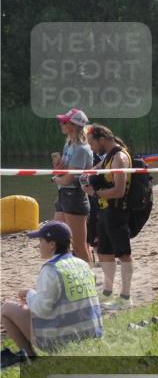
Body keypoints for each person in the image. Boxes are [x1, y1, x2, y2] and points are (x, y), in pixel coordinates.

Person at [0, 221, 103, 368]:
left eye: (41, 241)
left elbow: (42, 309)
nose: (39, 245)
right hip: (91, 334)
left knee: (6, 309)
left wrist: (29, 294)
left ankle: (31, 359)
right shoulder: (83, 265)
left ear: (52, 244)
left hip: (63, 341)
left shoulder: (51, 270)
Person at [82, 124, 136, 310]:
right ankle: (107, 292)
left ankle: (126, 296)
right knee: (104, 252)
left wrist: (95, 193)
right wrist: (84, 177)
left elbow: (119, 191)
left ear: (102, 139)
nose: (91, 147)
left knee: (123, 254)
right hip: (104, 213)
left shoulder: (119, 158)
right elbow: (92, 170)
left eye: (92, 143)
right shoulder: (108, 158)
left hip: (117, 212)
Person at [50, 108, 93, 262]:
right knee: (57, 237)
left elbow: (69, 180)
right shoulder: (68, 145)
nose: (60, 123)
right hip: (63, 195)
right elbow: (65, 174)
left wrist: (55, 179)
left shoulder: (81, 149)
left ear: (73, 126)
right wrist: (58, 168)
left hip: (75, 197)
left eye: (64, 121)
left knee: (79, 246)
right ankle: (68, 272)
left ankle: (89, 280)